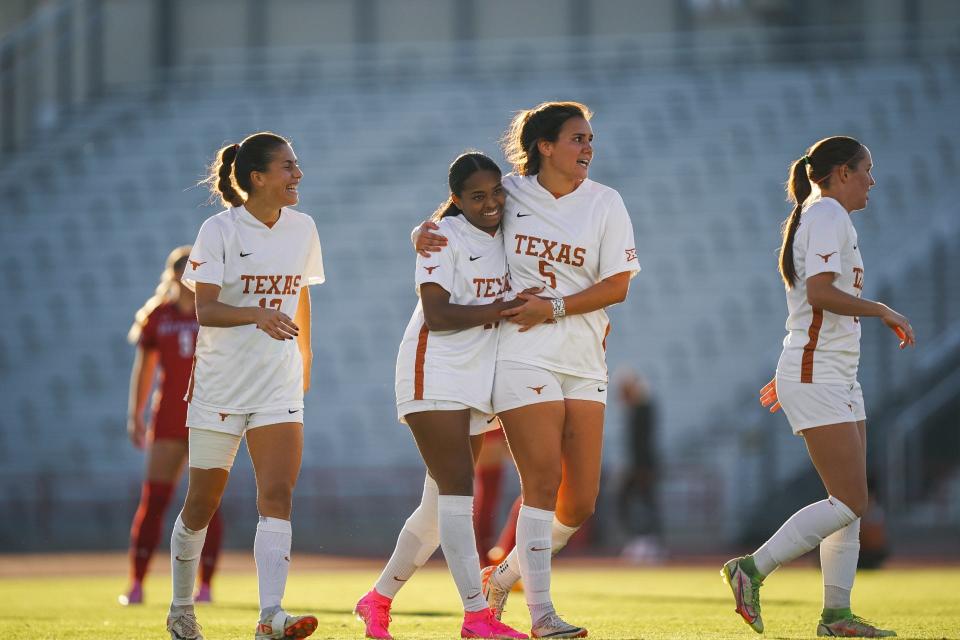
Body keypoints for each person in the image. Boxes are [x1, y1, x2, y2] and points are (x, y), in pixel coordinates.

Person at [416, 102, 640, 638]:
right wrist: (420, 233)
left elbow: (618, 285)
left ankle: (504, 575)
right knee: (540, 479)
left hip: (584, 357)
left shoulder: (606, 202)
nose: (588, 147)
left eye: (590, 139)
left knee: (579, 503)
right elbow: (451, 218)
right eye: (576, 138)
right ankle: (542, 615)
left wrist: (556, 306)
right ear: (544, 145)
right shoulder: (509, 192)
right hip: (520, 351)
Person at [722, 136, 914, 638]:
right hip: (819, 373)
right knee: (850, 501)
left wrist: (792, 370)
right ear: (842, 173)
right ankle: (751, 570)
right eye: (867, 169)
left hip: (828, 372)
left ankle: (836, 616)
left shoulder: (822, 214)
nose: (873, 179)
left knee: (849, 502)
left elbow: (809, 306)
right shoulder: (828, 213)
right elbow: (821, 294)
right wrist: (882, 310)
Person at [354, 152, 527, 640]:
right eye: (477, 196)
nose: (491, 203)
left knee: (436, 509)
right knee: (457, 491)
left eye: (496, 192)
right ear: (456, 199)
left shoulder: (508, 228)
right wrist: (501, 308)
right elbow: (438, 315)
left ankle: (377, 600)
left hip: (474, 379)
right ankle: (476, 616)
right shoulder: (442, 236)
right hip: (432, 370)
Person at [164, 132, 324, 640]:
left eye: (296, 165)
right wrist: (256, 314)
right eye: (287, 167)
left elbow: (300, 298)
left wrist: (305, 356)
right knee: (201, 503)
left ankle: (269, 616)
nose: (297, 174)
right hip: (220, 388)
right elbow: (205, 309)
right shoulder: (219, 229)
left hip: (277, 385)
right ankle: (181, 609)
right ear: (257, 178)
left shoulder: (304, 227)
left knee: (277, 494)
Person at [120, 246, 223, 606]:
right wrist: (136, 414)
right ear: (177, 275)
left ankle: (205, 585)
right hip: (168, 419)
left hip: (208, 415)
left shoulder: (215, 312)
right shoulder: (158, 317)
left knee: (207, 502)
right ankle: (136, 583)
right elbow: (145, 369)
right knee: (155, 500)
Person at [615, 370, 663, 563]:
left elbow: (643, 442)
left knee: (643, 502)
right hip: (639, 465)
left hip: (642, 466)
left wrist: (642, 468)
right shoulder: (637, 409)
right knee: (639, 502)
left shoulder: (643, 408)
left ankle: (648, 543)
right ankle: (646, 541)